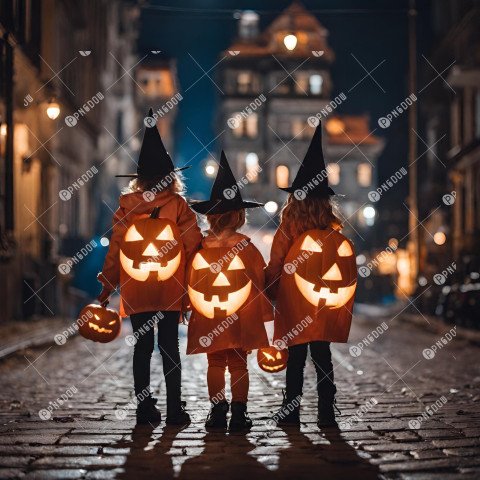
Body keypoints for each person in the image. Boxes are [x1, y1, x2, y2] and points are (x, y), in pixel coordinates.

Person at [97, 109, 202, 425]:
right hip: (170, 291)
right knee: (170, 347)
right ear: (172, 178)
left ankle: (144, 408)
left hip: (138, 290)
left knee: (142, 348)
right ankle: (174, 410)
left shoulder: (127, 208)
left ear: (138, 180)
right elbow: (193, 247)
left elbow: (117, 249)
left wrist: (106, 286)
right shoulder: (179, 207)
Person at [266, 122, 356, 427]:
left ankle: (290, 411)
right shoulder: (333, 229)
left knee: (295, 359)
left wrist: (270, 289)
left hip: (295, 303)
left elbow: (277, 260)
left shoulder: (290, 224)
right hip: (323, 306)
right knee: (323, 356)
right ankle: (326, 412)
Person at [186, 151, 271, 432]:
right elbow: (260, 279)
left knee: (214, 363)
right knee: (238, 365)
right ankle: (239, 413)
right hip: (239, 317)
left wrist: (186, 305)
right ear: (240, 216)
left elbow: (190, 279)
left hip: (209, 314)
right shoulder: (246, 247)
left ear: (210, 218)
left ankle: (217, 410)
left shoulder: (201, 247)